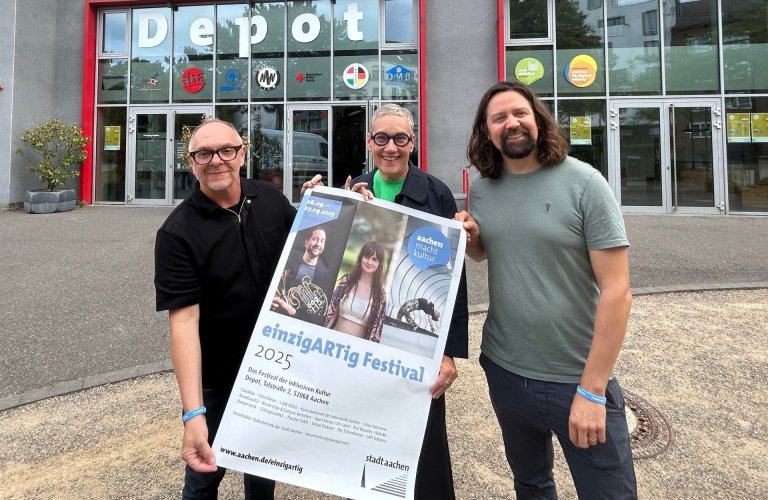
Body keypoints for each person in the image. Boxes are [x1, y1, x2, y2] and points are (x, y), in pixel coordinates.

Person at [457, 80, 637, 499]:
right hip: (505, 368)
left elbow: (618, 292)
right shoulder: (482, 187)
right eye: (498, 118)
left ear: (538, 119)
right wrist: (473, 239)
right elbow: (486, 254)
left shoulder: (585, 183)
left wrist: (593, 389)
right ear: (486, 131)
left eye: (520, 113)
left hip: (574, 375)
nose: (511, 123)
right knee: (532, 484)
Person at [154, 118, 295, 499]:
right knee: (204, 475)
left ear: (242, 154)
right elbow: (184, 323)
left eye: (226, 150)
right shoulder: (176, 234)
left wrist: (341, 204)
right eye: (204, 153)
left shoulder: (271, 199)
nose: (216, 160)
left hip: (272, 369)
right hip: (218, 379)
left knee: (262, 465)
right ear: (191, 162)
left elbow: (310, 246)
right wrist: (193, 413)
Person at [344, 103, 470, 499]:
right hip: (363, 338)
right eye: (382, 138)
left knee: (422, 437)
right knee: (363, 430)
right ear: (369, 142)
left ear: (412, 142)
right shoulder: (355, 187)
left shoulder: (436, 193)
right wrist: (335, 204)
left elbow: (453, 282)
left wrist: (448, 352)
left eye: (400, 138)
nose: (391, 148)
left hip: (416, 346)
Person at [324, 240, 387, 342]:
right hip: (332, 342)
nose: (369, 262)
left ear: (379, 263)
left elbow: (376, 332)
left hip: (356, 349)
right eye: (367, 257)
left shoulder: (380, 295)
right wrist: (321, 333)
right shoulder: (346, 282)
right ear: (361, 258)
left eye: (374, 259)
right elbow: (331, 313)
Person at [271, 226, 333, 324]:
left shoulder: (325, 274)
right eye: (315, 239)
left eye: (322, 241)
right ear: (306, 243)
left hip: (299, 322)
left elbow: (318, 315)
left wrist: (292, 311)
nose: (318, 244)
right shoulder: (288, 261)